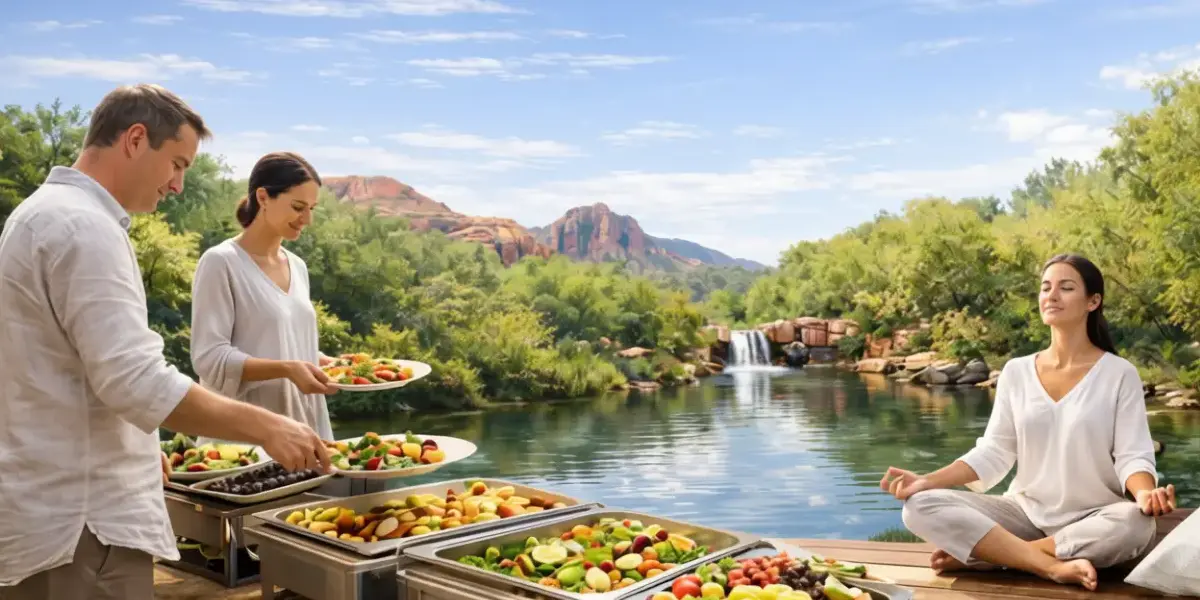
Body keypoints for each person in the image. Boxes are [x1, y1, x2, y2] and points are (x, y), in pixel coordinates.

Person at [0, 84, 331, 600]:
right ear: (135, 140)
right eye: (176, 164)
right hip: (86, 528)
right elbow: (133, 379)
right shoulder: (84, 227)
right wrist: (266, 425)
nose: (177, 185)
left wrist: (142, 440)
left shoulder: (41, 215)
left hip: (54, 509)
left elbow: (72, 368)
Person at [880, 254, 1176, 591]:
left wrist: (1145, 494)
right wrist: (926, 481)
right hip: (1021, 514)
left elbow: (1132, 455)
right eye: (1046, 287)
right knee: (919, 505)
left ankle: (998, 557)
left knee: (1135, 524)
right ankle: (1047, 566)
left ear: (1093, 301)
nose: (1051, 295)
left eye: (1066, 288)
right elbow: (994, 452)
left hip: (1092, 518)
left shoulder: (1119, 374)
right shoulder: (1016, 371)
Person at [190, 151, 338, 442]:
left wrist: (329, 364)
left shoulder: (297, 266)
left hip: (303, 434)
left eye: (311, 208)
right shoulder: (221, 262)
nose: (307, 219)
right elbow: (208, 357)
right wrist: (287, 369)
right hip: (244, 443)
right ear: (263, 197)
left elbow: (282, 341)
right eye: (298, 207)